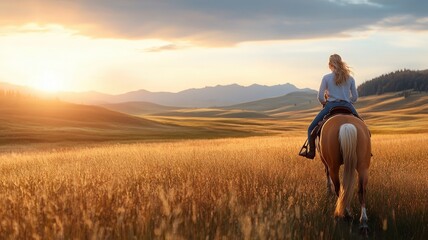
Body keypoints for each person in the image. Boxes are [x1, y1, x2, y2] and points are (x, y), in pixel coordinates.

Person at [300, 54, 359, 159]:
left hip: (331, 106)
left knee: (310, 129)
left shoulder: (326, 78)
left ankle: (311, 152)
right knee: (363, 127)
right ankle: (367, 152)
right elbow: (355, 97)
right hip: (347, 106)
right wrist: (347, 100)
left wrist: (324, 102)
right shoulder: (350, 78)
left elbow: (320, 96)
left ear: (330, 64)